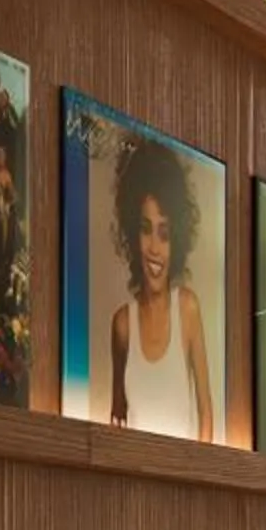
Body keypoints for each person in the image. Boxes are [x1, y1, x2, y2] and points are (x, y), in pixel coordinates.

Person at [105, 136, 214, 440]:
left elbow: (206, 413)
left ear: (177, 240)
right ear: (132, 233)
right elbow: (116, 420)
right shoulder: (122, 324)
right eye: (146, 230)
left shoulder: (188, 309)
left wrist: (198, 469)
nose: (154, 248)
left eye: (164, 234)